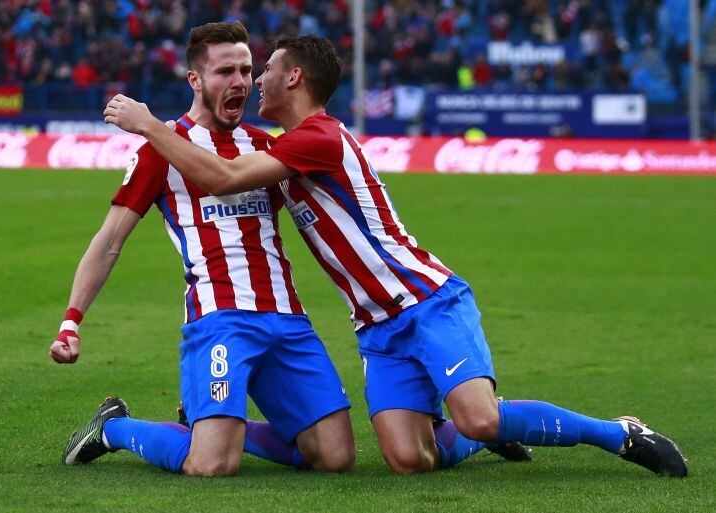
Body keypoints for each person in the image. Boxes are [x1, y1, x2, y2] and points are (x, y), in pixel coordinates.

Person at [103, 35, 688, 478]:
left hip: (424, 299)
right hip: (376, 327)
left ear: (294, 77)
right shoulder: (282, 147)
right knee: (409, 459)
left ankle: (616, 434)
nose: (256, 81)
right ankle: (476, 431)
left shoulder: (318, 137)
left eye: (265, 71)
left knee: (479, 415)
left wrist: (149, 125)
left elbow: (226, 177)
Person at [51, 23, 355, 477]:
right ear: (195, 80)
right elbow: (110, 241)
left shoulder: (265, 145)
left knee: (335, 457)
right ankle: (113, 428)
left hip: (288, 319)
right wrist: (71, 321)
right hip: (220, 318)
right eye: (225, 72)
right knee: (212, 465)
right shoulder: (160, 150)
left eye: (247, 70)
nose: (240, 82)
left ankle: (210, 421)